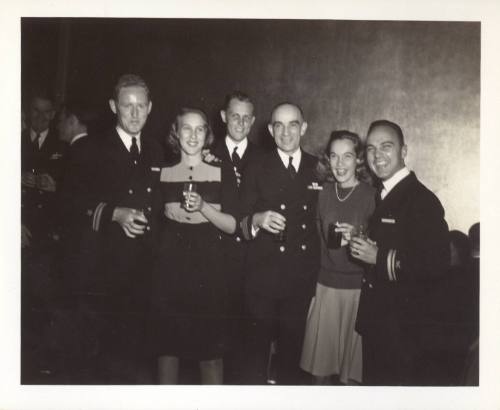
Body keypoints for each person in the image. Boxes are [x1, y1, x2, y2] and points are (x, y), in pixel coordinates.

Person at [79, 74, 164, 383]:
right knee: (103, 366)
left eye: (141, 106)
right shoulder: (90, 149)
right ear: (113, 106)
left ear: (150, 107)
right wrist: (114, 213)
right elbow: (68, 207)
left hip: (146, 275)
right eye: (127, 106)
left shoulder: (158, 152)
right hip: (103, 274)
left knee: (138, 364)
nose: (134, 113)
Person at [350, 119, 449, 385]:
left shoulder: (421, 200)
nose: (377, 155)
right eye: (371, 149)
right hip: (381, 323)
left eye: (386, 146)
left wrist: (379, 257)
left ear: (404, 151)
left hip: (403, 332)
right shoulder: (384, 194)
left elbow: (437, 263)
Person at [152, 107, 238, 384]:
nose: (192, 135)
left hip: (209, 267)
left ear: (207, 134)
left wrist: (204, 208)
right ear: (175, 133)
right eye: (185, 128)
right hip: (170, 268)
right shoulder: (161, 172)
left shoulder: (222, 170)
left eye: (199, 128)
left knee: (210, 352)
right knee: (168, 348)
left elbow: (233, 225)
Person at [239, 102, 321, 385]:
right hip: (262, 277)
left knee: (292, 359)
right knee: (254, 357)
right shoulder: (256, 165)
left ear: (304, 128)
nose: (286, 132)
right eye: (279, 125)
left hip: (300, 280)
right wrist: (257, 218)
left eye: (293, 124)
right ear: (270, 130)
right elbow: (239, 217)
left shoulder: (319, 168)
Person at [300, 130, 375, 385]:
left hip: (357, 292)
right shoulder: (322, 193)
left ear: (359, 160)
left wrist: (357, 236)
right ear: (327, 159)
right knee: (319, 372)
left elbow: (379, 245)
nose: (340, 164)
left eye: (347, 156)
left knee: (350, 376)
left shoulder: (371, 195)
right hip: (325, 289)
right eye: (334, 156)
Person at [212, 91, 263, 383]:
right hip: (216, 260)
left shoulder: (265, 158)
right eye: (235, 116)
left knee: (247, 341)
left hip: (252, 262)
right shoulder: (206, 153)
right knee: (214, 340)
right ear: (223, 117)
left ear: (253, 121)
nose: (240, 123)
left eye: (246, 118)